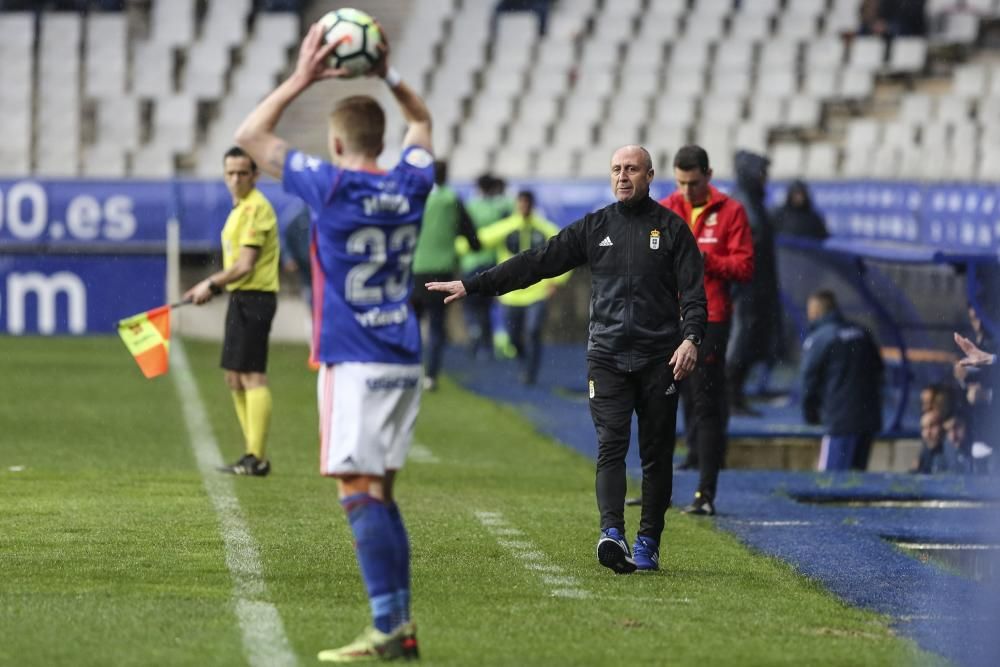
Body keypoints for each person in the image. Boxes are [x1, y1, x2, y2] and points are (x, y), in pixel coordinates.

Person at [234, 22, 432, 661]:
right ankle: (398, 626)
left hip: (354, 358)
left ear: (338, 140)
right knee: (383, 492)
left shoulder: (333, 184)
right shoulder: (410, 181)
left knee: (356, 492)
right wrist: (389, 73)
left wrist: (304, 76)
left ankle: (385, 628)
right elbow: (422, 122)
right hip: (402, 353)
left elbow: (250, 138)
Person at [427, 145, 707, 574]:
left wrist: (690, 339)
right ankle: (612, 534)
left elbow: (693, 294)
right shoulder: (596, 227)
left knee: (656, 454)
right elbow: (536, 262)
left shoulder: (672, 230)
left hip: (659, 359)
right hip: (607, 357)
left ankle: (649, 539)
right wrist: (474, 285)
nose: (622, 177)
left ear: (650, 175)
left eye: (631, 169)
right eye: (616, 169)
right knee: (611, 446)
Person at [659, 145, 753, 516]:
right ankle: (659, 490)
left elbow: (745, 268)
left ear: (708, 175)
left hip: (712, 317)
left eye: (693, 183)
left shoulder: (731, 212)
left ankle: (705, 494)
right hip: (668, 316)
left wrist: (706, 260)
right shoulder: (665, 209)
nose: (686, 191)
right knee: (661, 399)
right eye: (680, 183)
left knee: (705, 400)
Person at [183, 146, 280, 478]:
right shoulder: (240, 209)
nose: (236, 179)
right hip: (243, 298)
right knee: (234, 377)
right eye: (230, 173)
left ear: (255, 175)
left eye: (242, 173)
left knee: (252, 375)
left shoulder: (255, 209)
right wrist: (218, 287)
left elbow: (245, 264)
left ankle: (257, 456)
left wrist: (211, 284)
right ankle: (252, 452)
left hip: (256, 297)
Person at [474, 190, 570, 384]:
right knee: (513, 337)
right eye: (521, 203)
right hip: (510, 294)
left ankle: (530, 373)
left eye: (527, 203)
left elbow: (567, 252)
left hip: (537, 292)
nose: (523, 207)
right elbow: (481, 239)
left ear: (532, 205)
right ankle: (524, 359)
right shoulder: (507, 226)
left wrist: (556, 282)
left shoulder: (544, 228)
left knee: (533, 331)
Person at [410, 159, 481, 391]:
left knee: (412, 324)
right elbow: (471, 235)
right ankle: (431, 376)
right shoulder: (452, 200)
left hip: (415, 270)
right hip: (441, 271)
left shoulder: (418, 199)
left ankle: (410, 370)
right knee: (437, 326)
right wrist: (474, 246)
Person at [800, 290, 884, 471]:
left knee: (830, 483)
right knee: (856, 480)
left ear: (815, 311)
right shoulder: (862, 332)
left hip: (839, 422)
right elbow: (879, 369)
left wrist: (810, 414)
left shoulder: (819, 338)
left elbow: (808, 381)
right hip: (868, 420)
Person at [727, 150, 781, 416]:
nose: (765, 178)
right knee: (741, 337)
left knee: (752, 337)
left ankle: (735, 394)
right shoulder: (742, 202)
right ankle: (729, 396)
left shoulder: (754, 201)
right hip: (745, 285)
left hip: (757, 283)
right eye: (760, 172)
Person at [459, 174, 513, 360]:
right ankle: (487, 344)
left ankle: (475, 335)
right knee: (486, 306)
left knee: (470, 306)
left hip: (470, 262)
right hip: (491, 263)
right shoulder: (500, 207)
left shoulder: (470, 206)